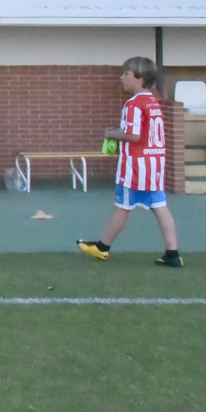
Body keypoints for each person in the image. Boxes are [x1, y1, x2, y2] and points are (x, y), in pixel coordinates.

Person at [77, 58, 180, 268]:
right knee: (160, 206)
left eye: (126, 74)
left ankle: (102, 247)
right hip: (154, 163)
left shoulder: (134, 104)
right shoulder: (153, 101)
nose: (121, 78)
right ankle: (173, 253)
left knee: (123, 206)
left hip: (135, 166)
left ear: (140, 78)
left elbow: (133, 135)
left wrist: (112, 134)